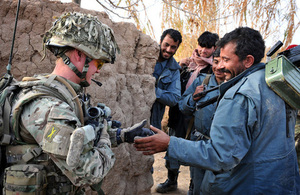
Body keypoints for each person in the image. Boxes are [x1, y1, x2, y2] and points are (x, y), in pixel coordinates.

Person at [135, 27, 300, 194]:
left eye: (226, 60)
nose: (220, 66)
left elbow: (221, 156)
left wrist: (170, 143)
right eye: (218, 60)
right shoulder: (275, 83)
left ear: (248, 61)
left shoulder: (239, 96)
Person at [1, 12, 152, 195]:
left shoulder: (65, 94)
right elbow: (91, 172)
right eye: (99, 63)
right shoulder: (49, 108)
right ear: (79, 55)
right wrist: (103, 134)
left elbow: (78, 140)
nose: (97, 71)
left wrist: (122, 135)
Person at [156, 31, 219, 193]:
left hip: (195, 119)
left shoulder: (214, 72)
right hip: (178, 114)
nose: (204, 51)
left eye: (208, 48)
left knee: (194, 155)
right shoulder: (187, 65)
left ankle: (193, 185)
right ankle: (172, 180)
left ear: (214, 49)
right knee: (172, 149)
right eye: (201, 46)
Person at [179, 48, 225, 194]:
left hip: (221, 149)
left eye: (224, 61)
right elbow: (182, 107)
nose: (218, 67)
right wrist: (193, 97)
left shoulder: (236, 86)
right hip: (198, 143)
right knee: (197, 184)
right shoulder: (201, 81)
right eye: (215, 62)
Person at [150, 28, 182, 130]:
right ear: (160, 41)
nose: (168, 50)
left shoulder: (174, 70)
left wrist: (151, 91)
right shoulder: (145, 58)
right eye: (166, 45)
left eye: (173, 47)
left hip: (154, 122)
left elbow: (174, 98)